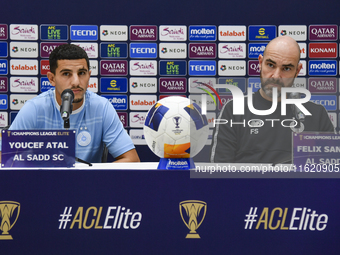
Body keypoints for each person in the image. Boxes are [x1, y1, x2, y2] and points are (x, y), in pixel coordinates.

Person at [210, 36, 334, 164]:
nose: (276, 76)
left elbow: (329, 173)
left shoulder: (317, 115)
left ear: (297, 71)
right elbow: (220, 173)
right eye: (270, 65)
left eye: (286, 68)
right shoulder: (234, 110)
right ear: (260, 63)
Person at [8, 44, 140, 163]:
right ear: (52, 79)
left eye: (81, 73)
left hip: (88, 185)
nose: (76, 81)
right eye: (66, 74)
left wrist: (92, 177)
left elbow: (131, 160)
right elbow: (6, 157)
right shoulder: (35, 109)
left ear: (89, 75)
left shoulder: (102, 108)